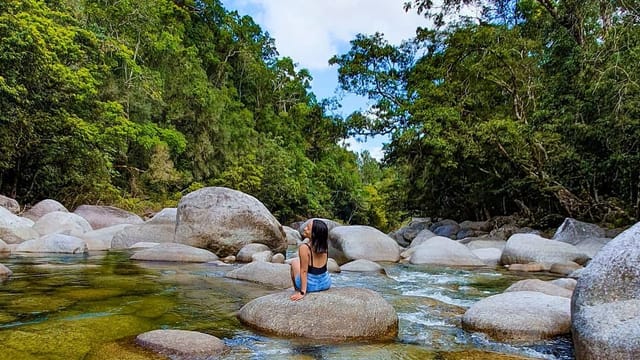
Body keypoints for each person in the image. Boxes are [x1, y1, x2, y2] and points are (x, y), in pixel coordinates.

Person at [289, 219, 331, 301]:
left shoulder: (304, 247)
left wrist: (302, 292)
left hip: (310, 286)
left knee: (294, 263)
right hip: (326, 283)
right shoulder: (324, 246)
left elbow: (304, 271)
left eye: (308, 228)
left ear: (314, 234)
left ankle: (297, 290)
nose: (304, 229)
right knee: (298, 262)